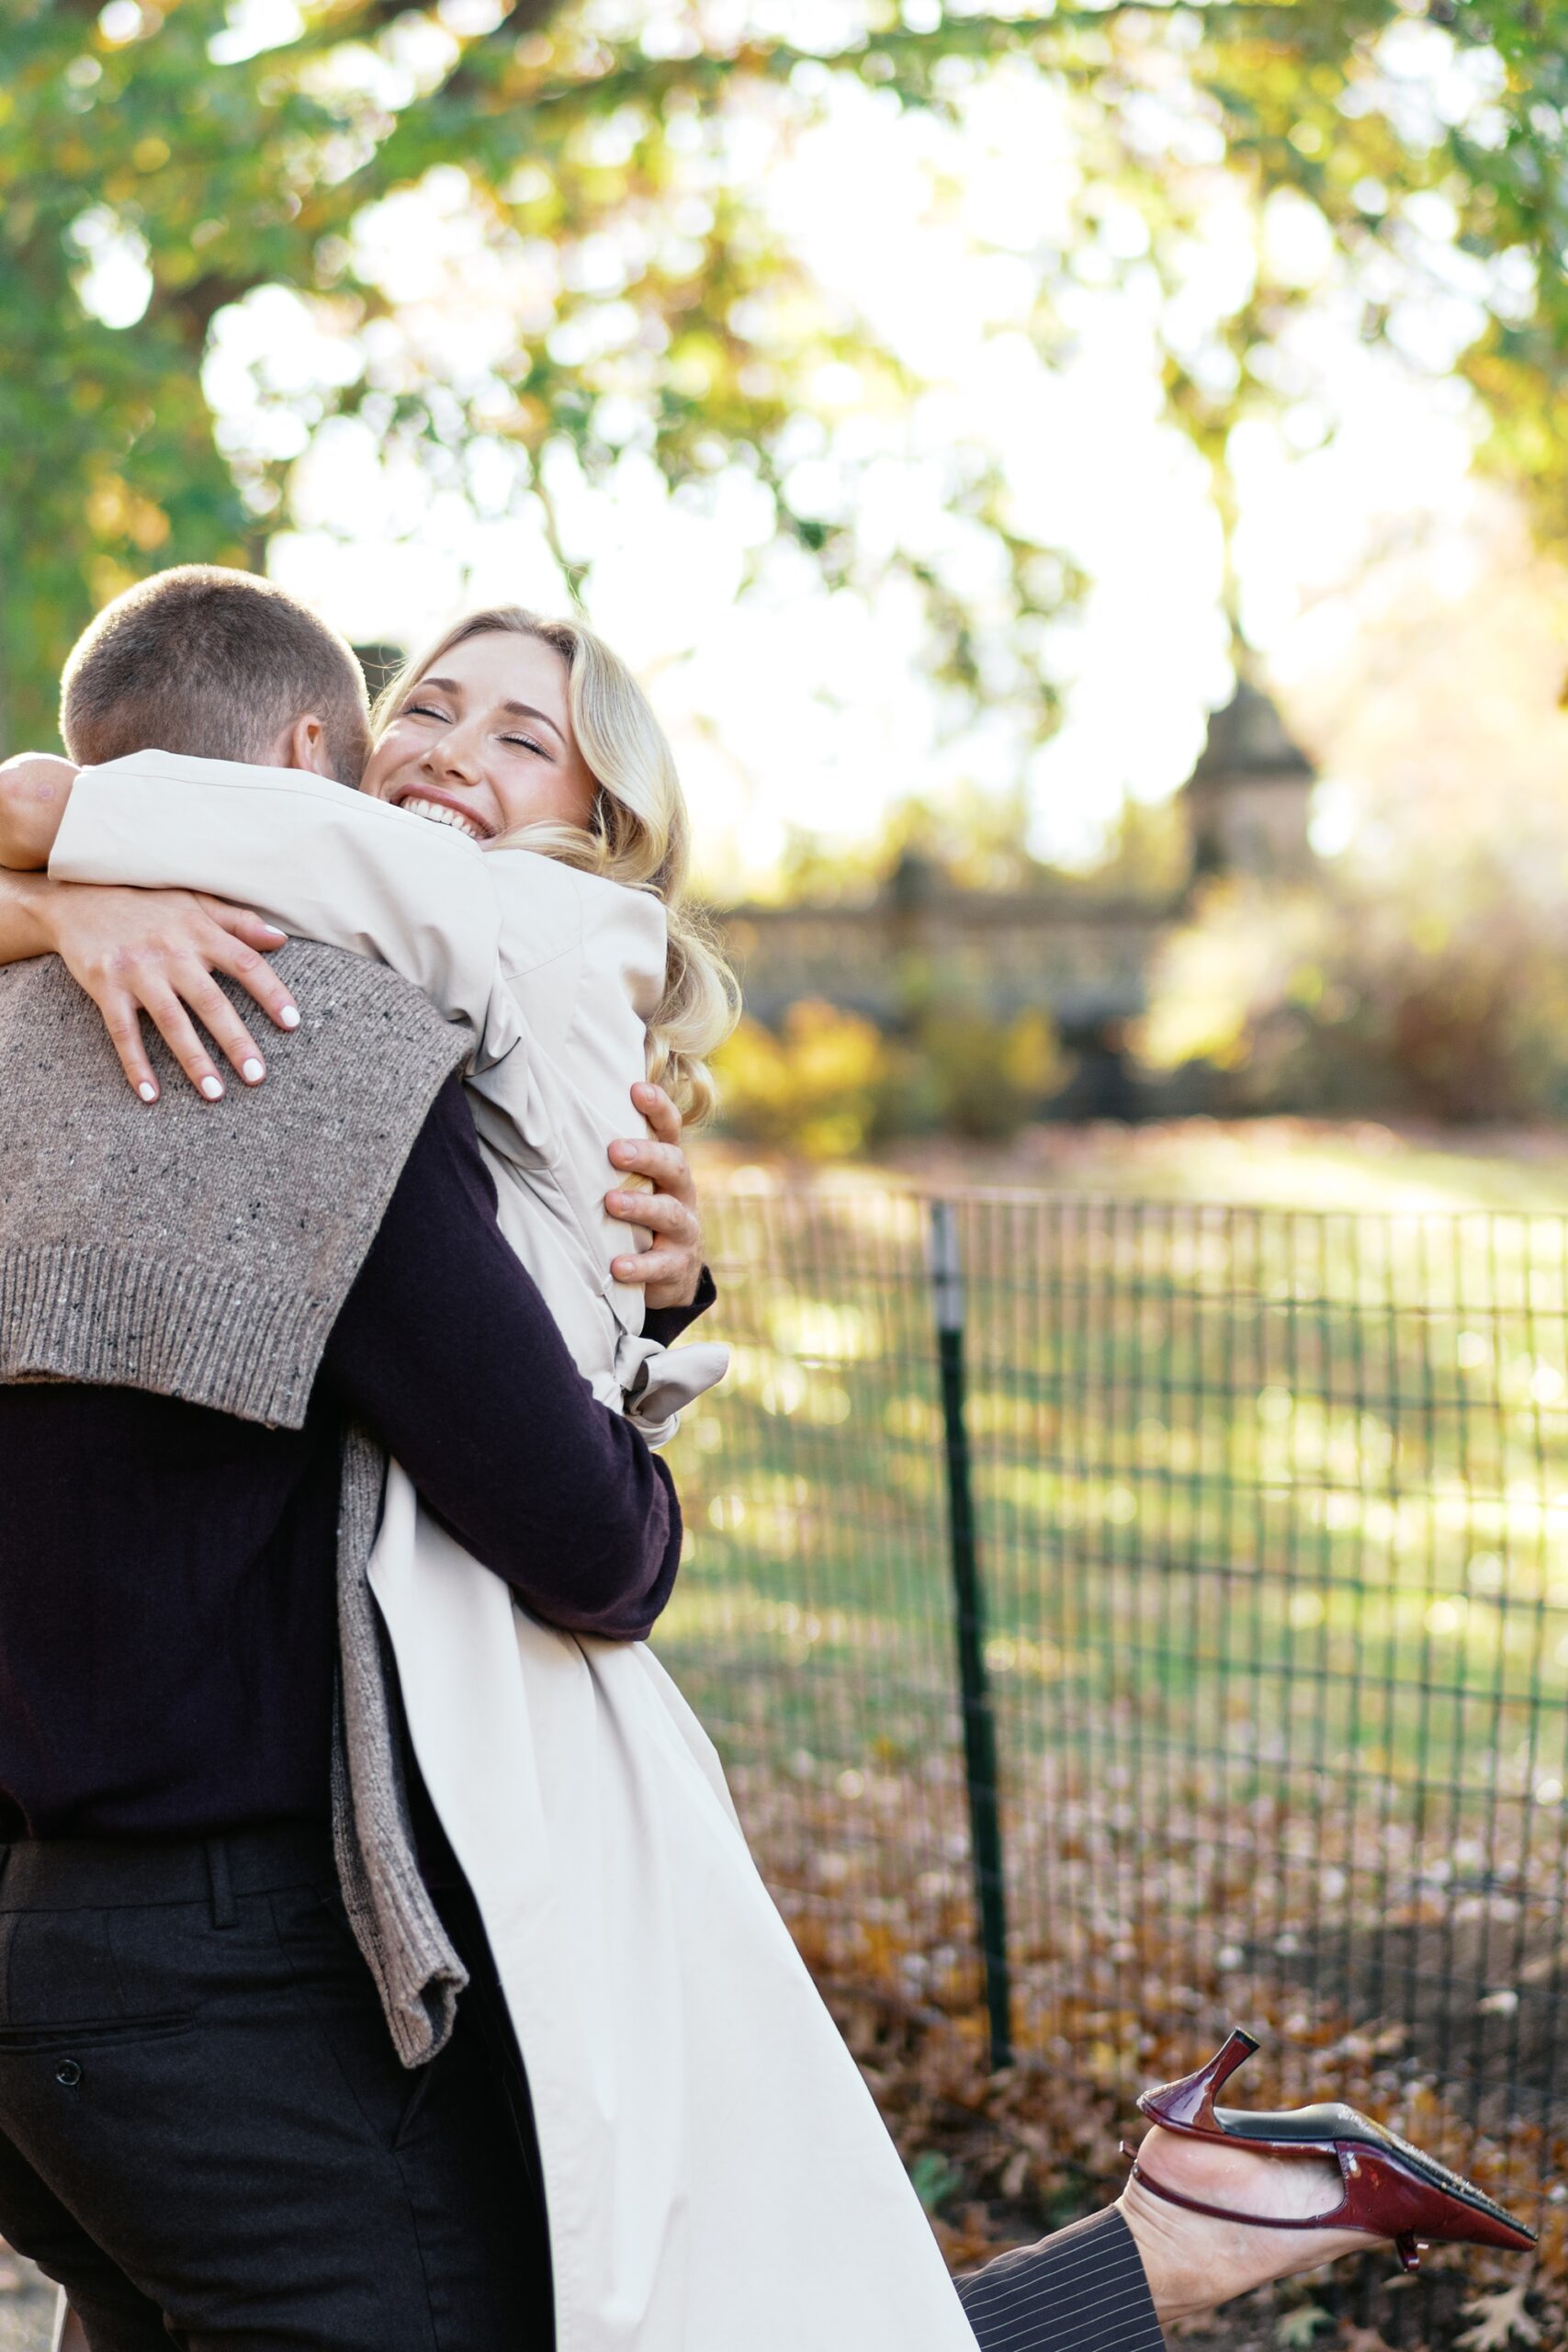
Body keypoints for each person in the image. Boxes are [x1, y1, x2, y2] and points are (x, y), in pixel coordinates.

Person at [0, 572, 1530, 2350]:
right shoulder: (318, 1048)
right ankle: (1178, 2242)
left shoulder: (393, 995)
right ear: (312, 755)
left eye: (528, 742)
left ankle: (1172, 2242)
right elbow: (597, 1547)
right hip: (271, 1952)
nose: (452, 761)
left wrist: (56, 910)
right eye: (428, 710)